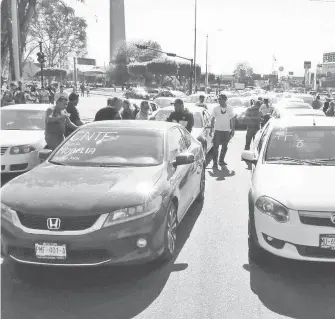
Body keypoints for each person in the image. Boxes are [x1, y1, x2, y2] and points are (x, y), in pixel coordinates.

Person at [210, 94, 235, 168]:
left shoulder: (230, 108)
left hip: (226, 131)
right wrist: (211, 130)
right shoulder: (216, 108)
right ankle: (215, 163)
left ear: (225, 100)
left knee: (224, 147)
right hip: (217, 130)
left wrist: (233, 130)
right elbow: (212, 119)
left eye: (220, 99)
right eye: (218, 99)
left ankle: (221, 160)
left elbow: (232, 119)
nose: (219, 100)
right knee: (215, 147)